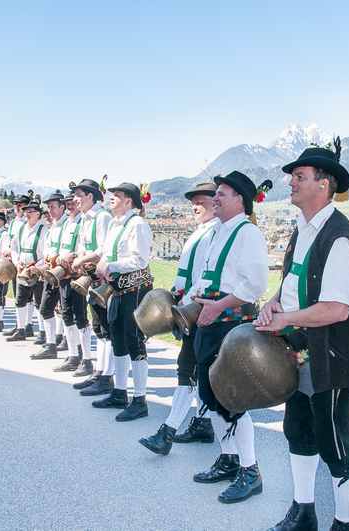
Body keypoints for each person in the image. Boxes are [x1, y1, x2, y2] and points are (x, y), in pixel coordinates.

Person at [256, 140, 349, 531]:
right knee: (299, 433)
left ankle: (344, 523)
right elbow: (291, 281)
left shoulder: (338, 235)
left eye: (300, 177)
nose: (291, 182)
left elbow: (337, 309)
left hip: (330, 358)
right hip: (298, 351)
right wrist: (274, 304)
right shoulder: (303, 230)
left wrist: (286, 317)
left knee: (336, 445)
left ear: (323, 185)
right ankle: (304, 511)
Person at [189, 171, 269, 504]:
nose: (215, 198)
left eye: (222, 193)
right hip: (209, 321)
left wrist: (217, 306)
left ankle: (250, 471)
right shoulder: (216, 233)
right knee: (210, 394)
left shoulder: (248, 234)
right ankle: (228, 457)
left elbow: (254, 285)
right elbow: (205, 278)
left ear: (240, 199)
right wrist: (186, 307)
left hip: (228, 324)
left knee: (231, 397)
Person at [139, 182, 219, 455]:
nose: (194, 206)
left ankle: (169, 431)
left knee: (190, 371)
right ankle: (203, 423)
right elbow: (188, 272)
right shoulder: (202, 231)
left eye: (200, 201)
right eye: (192, 201)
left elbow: (206, 277)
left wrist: (188, 300)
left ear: (215, 201)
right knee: (192, 371)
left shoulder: (215, 233)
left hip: (200, 310)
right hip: (190, 309)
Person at [91, 182, 153, 422]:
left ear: (129, 201)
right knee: (117, 338)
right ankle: (119, 392)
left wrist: (111, 266)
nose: (111, 199)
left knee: (134, 341)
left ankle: (140, 400)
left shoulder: (137, 224)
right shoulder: (116, 225)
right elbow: (108, 254)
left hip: (134, 289)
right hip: (117, 290)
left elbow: (140, 259)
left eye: (116, 196)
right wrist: (102, 266)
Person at [68, 179, 114, 396]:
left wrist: (81, 259)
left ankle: (106, 377)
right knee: (99, 327)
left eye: (78, 195)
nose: (75, 199)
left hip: (102, 280)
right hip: (90, 277)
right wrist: (77, 258)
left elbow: (104, 249)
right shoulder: (86, 219)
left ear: (90, 196)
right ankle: (99, 373)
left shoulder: (102, 217)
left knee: (106, 328)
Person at [54, 188, 91, 374]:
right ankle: (73, 354)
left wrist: (74, 255)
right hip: (63, 273)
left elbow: (83, 248)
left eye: (72, 202)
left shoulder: (83, 221)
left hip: (77, 274)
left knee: (80, 317)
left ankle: (87, 358)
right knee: (66, 315)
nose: (70, 206)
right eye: (68, 203)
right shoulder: (66, 223)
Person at [31, 191, 68, 360]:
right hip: (50, 272)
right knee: (45, 308)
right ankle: (51, 344)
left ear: (62, 207)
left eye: (53, 206)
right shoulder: (51, 227)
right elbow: (47, 249)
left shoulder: (68, 224)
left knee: (66, 312)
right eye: (49, 207)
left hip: (64, 272)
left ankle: (71, 346)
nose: (50, 210)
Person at [7, 199, 47, 342]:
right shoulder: (21, 229)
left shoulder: (44, 230)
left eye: (31, 212)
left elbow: (46, 254)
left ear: (39, 214)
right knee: (20, 300)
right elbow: (14, 248)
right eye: (26, 211)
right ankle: (21, 329)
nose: (27, 214)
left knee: (38, 302)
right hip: (22, 269)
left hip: (37, 270)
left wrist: (37, 265)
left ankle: (42, 332)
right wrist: (17, 262)